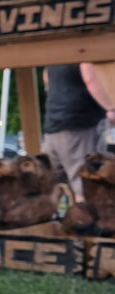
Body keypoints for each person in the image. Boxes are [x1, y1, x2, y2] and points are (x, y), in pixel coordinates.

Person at [42, 63, 115, 202]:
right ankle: (87, 223)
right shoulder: (83, 48)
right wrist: (110, 108)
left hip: (52, 127)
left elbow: (46, 80)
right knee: (89, 185)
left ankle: (42, 221)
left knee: (48, 186)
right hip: (80, 126)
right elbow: (90, 78)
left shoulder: (55, 54)